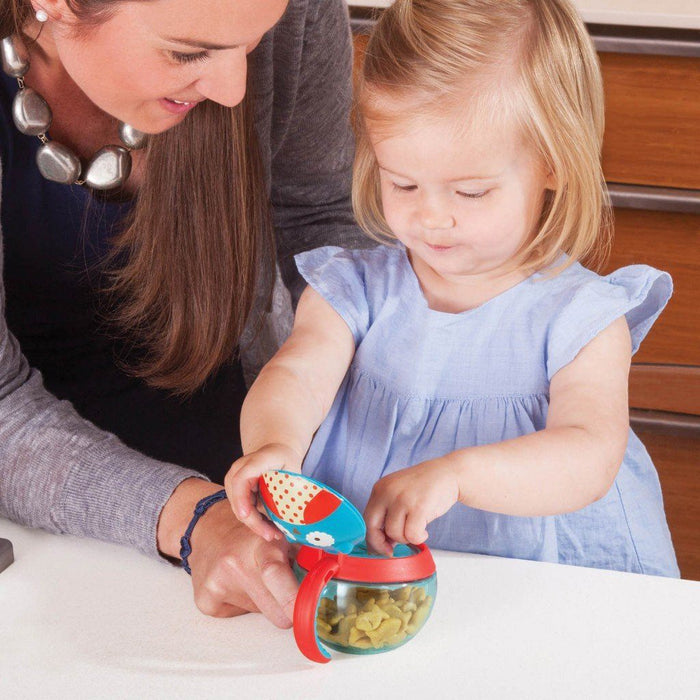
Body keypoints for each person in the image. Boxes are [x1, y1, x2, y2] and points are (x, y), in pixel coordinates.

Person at [225, 0, 679, 577]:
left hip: (540, 581)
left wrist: (458, 475)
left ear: (554, 163)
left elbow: (588, 453)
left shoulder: (581, 317)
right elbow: (295, 373)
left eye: (470, 192)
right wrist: (274, 444)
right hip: (373, 571)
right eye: (403, 183)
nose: (432, 217)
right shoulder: (354, 290)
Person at [0, 0, 369, 626]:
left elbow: (321, 221)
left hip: (240, 488)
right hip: (37, 527)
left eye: (253, 42)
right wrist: (195, 520)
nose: (235, 92)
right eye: (188, 53)